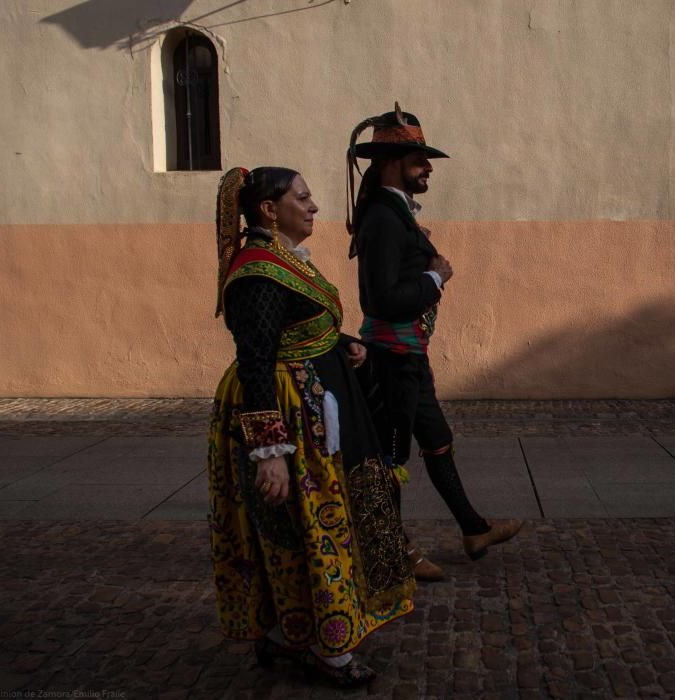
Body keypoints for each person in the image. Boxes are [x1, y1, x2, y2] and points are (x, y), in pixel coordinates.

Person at [208, 166, 414, 688]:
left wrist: (341, 342)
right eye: (302, 197)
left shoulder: (282, 263)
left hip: (313, 407)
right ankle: (325, 647)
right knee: (304, 527)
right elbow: (255, 359)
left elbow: (295, 327)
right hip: (289, 419)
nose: (315, 205)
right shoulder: (258, 271)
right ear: (269, 211)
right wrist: (268, 450)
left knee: (301, 527)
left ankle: (286, 634)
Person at [344, 104, 521, 581]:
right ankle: (393, 551)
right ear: (391, 164)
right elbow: (380, 299)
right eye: (420, 161)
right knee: (391, 459)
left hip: (410, 356)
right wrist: (434, 277)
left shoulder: (395, 213)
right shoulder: (383, 216)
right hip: (392, 359)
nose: (427, 170)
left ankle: (473, 528)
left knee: (438, 440)